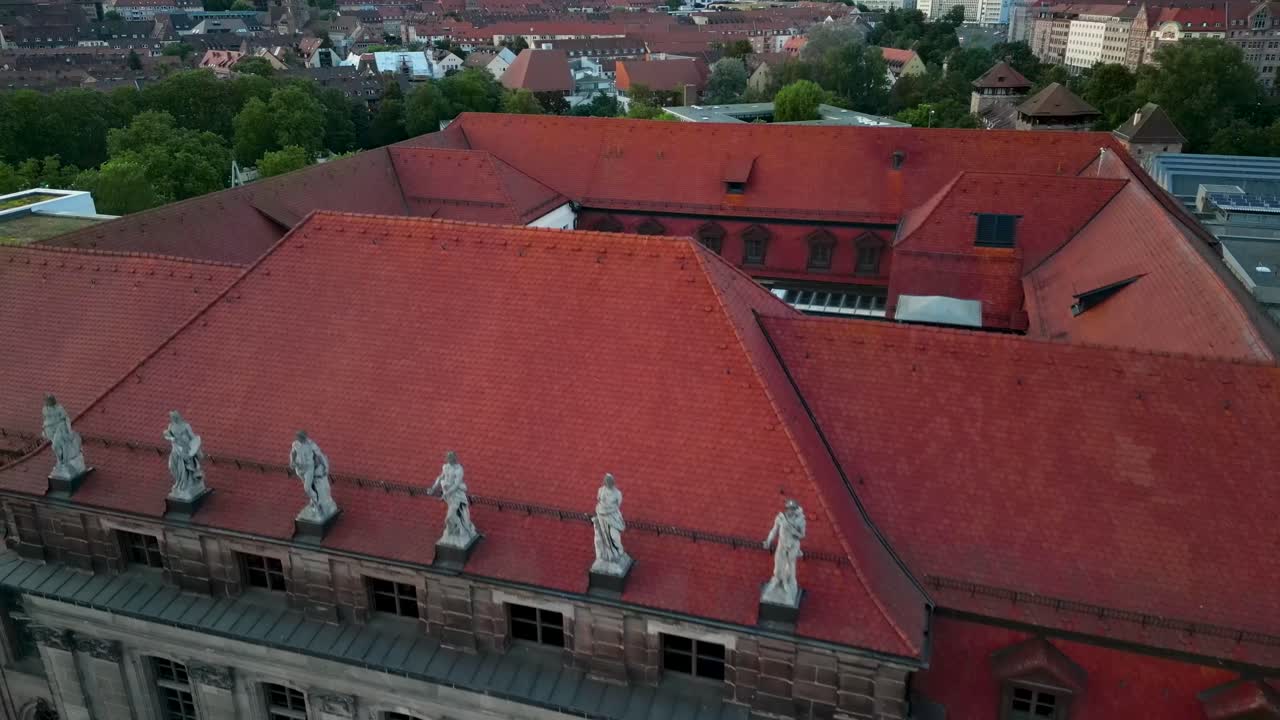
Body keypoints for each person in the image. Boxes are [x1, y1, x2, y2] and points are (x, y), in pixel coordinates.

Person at [762, 499, 806, 604]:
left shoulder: (800, 520)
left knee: (790, 570)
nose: (790, 511)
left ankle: (789, 589)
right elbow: (774, 530)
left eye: (792, 509)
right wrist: (768, 541)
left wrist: (792, 530)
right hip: (781, 545)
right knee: (777, 567)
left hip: (792, 546)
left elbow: (802, 535)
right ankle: (776, 582)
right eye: (789, 509)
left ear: (795, 510)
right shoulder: (781, 518)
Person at [429, 451, 476, 545]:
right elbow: (440, 477)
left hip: (457, 495)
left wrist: (445, 493)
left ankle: (462, 529)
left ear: (454, 459)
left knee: (450, 517)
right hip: (449, 495)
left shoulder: (459, 470)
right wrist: (433, 487)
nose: (448, 460)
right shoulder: (445, 467)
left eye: (450, 458)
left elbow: (456, 485)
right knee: (454, 516)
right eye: (447, 458)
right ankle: (458, 529)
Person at [290, 430, 337, 519]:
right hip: (299, 470)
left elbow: (319, 456)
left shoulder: (311, 445)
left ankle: (317, 505)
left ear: (304, 437)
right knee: (310, 487)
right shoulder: (295, 444)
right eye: (298, 437)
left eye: (301, 437)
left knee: (307, 488)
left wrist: (325, 467)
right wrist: (292, 461)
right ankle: (314, 501)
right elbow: (293, 452)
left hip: (309, 469)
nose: (299, 438)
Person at [42, 394, 85, 480]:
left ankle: (63, 461)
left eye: (49, 401)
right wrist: (45, 427)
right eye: (47, 401)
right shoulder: (45, 409)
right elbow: (46, 420)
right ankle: (60, 461)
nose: (47, 403)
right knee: (55, 446)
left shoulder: (59, 408)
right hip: (52, 429)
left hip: (60, 428)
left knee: (56, 445)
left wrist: (68, 430)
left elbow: (66, 418)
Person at [592, 473, 629, 572]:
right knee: (604, 536)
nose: (608, 483)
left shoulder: (617, 493)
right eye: (606, 482)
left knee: (614, 536)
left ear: (612, 483)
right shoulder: (601, 490)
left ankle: (619, 551)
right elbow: (599, 500)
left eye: (610, 482)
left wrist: (609, 509)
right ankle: (609, 555)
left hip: (613, 517)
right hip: (602, 516)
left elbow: (617, 505)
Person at [163, 411, 204, 497]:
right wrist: (170, 437)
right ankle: (179, 482)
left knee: (185, 470)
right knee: (172, 466)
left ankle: (185, 484)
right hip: (175, 449)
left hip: (185, 450)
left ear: (178, 417)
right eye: (172, 418)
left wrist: (196, 448)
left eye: (174, 417)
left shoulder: (186, 426)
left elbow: (193, 437)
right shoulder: (171, 426)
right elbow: (168, 435)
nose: (173, 419)